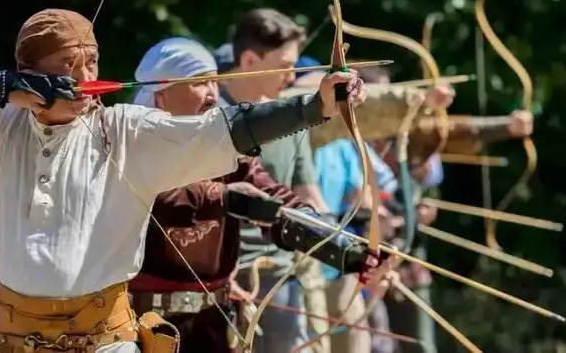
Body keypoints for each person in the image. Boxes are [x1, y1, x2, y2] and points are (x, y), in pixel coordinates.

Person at [0, 8, 367, 353]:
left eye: (90, 63)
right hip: (16, 340)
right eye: (63, 71)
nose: (83, 78)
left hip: (108, 341)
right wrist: (4, 88)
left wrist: (318, 105)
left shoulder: (124, 129)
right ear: (29, 79)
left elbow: (225, 129)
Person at [129, 37, 395, 353]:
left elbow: (277, 200)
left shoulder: (224, 150)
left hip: (212, 322)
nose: (213, 95)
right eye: (201, 82)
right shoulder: (129, 143)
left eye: (215, 81)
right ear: (161, 97)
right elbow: (161, 197)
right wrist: (227, 198)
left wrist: (347, 250)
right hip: (142, 325)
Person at [307, 62, 454, 353]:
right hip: (310, 261)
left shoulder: (346, 144)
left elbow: (366, 193)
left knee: (359, 342)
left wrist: (388, 222)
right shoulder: (307, 134)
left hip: (343, 262)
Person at [213, 9, 332, 353]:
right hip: (225, 279)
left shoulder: (292, 117)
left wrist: (350, 245)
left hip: (282, 276)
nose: (293, 75)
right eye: (285, 65)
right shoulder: (208, 119)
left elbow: (308, 196)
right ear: (250, 59)